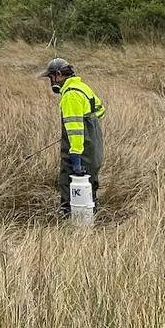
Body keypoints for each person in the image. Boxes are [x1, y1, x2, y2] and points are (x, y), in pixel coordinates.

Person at [38, 58, 106, 215]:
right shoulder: (83, 87)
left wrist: (75, 158)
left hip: (79, 150)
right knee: (90, 185)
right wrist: (86, 127)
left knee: (69, 183)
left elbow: (75, 130)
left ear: (59, 75)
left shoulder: (70, 95)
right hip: (93, 146)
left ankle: (70, 219)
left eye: (51, 77)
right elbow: (101, 112)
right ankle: (91, 216)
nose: (51, 81)